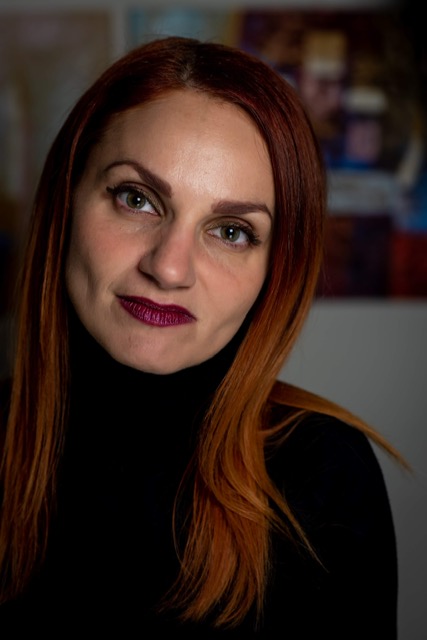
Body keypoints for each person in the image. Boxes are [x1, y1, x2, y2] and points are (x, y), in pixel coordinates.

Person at [0, 36, 406, 637]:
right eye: (137, 199)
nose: (169, 268)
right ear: (67, 202)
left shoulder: (325, 477)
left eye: (232, 231)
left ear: (275, 272)